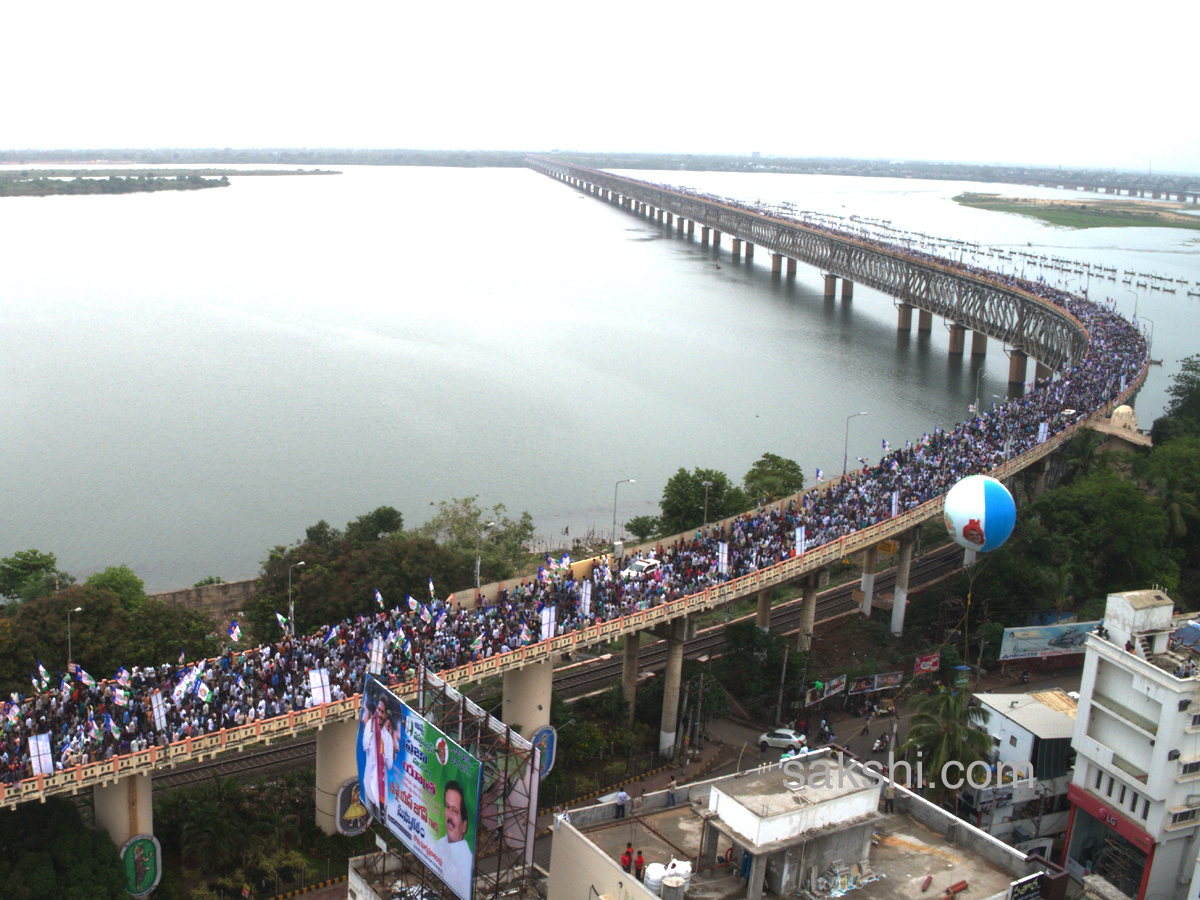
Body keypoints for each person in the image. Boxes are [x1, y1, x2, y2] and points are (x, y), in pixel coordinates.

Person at [432, 780, 474, 900]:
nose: (449, 815)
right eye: (447, 807)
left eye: (455, 811)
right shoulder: (440, 844)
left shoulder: (466, 864)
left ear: (464, 825)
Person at [359, 692, 395, 821]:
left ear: (386, 716)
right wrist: (372, 732)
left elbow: (390, 765)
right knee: (368, 818)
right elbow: (364, 746)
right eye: (378, 710)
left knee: (380, 821)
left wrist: (384, 747)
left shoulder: (388, 738)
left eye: (383, 712)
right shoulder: (370, 725)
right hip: (369, 785)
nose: (380, 714)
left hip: (381, 792)